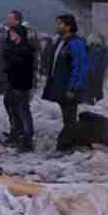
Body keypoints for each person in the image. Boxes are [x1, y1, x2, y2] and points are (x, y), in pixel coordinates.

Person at [43, 13, 88, 153]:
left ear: (68, 26)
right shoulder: (60, 41)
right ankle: (71, 142)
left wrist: (73, 88)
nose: (56, 26)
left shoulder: (76, 43)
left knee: (70, 117)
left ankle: (66, 144)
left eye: (59, 23)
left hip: (69, 87)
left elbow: (79, 67)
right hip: (60, 86)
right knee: (67, 116)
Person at [4, 24, 37, 152]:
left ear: (18, 34)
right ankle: (18, 134)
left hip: (21, 84)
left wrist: (10, 58)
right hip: (14, 82)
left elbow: (19, 64)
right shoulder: (16, 47)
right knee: (13, 107)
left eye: (12, 33)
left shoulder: (25, 48)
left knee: (23, 111)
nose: (10, 35)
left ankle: (27, 140)